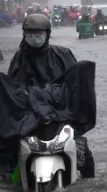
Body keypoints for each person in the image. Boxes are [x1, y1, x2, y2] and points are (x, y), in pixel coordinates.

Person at [7, 13, 95, 178]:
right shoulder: (19, 58)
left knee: (82, 147)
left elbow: (74, 83)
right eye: (30, 33)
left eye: (38, 33)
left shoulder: (61, 54)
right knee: (8, 147)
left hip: (58, 111)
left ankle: (88, 178)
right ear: (24, 34)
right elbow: (12, 87)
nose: (34, 37)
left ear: (47, 34)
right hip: (30, 114)